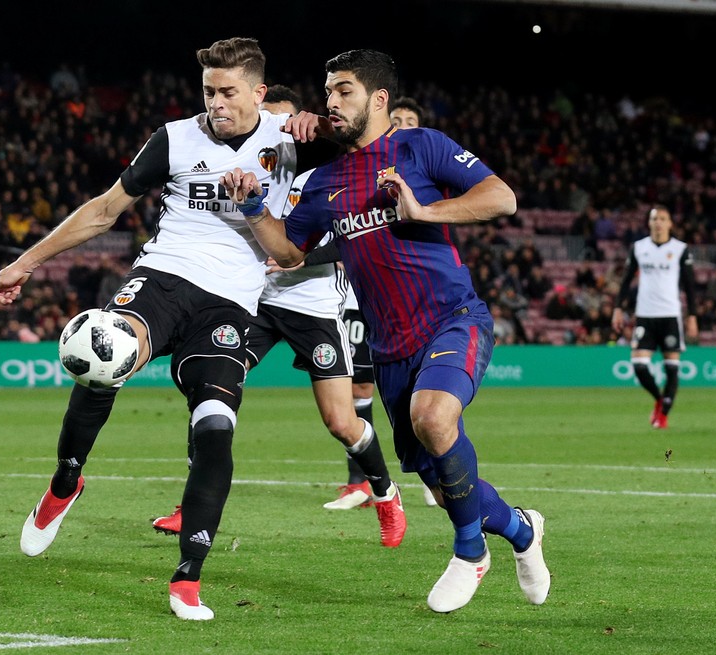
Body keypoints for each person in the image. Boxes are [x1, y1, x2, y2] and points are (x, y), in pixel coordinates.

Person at [0, 39, 339, 622]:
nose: (216, 103)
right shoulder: (175, 137)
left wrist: (321, 121)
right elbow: (104, 210)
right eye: (208, 91)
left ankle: (187, 579)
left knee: (217, 429)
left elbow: (371, 141)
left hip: (230, 307)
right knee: (105, 355)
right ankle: (66, 482)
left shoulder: (292, 142)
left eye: (228, 92)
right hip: (164, 280)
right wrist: (25, 262)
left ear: (259, 92)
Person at [220, 49, 551, 614]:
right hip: (390, 347)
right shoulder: (322, 180)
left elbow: (502, 198)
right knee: (449, 486)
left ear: (378, 100)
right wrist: (253, 207)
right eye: (327, 92)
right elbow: (287, 252)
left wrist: (424, 213)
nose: (331, 102)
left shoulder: (420, 147)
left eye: (343, 91)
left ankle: (470, 552)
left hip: (453, 317)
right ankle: (521, 530)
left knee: (434, 417)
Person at [150, 84, 406, 545]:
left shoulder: (327, 175)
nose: (274, 133)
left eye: (285, 124)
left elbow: (349, 239)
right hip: (260, 302)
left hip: (314, 306)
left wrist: (299, 257)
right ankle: (191, 506)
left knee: (341, 422)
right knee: (213, 383)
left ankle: (385, 494)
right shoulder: (243, 171)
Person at [306, 93, 439, 509]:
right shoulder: (352, 174)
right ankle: (361, 481)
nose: (400, 125)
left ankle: (437, 471)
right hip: (361, 299)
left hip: (421, 301)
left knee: (432, 393)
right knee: (362, 383)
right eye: (395, 118)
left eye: (409, 120)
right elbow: (341, 231)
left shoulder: (425, 175)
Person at [611, 204, 698, 429]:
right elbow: (626, 280)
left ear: (670, 223)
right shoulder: (639, 248)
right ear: (649, 223)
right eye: (654, 218)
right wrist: (618, 308)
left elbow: (690, 286)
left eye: (662, 218)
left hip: (670, 316)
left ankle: (663, 415)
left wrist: (692, 316)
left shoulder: (680, 249)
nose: (658, 222)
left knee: (672, 368)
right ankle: (660, 400)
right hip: (645, 315)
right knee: (639, 365)